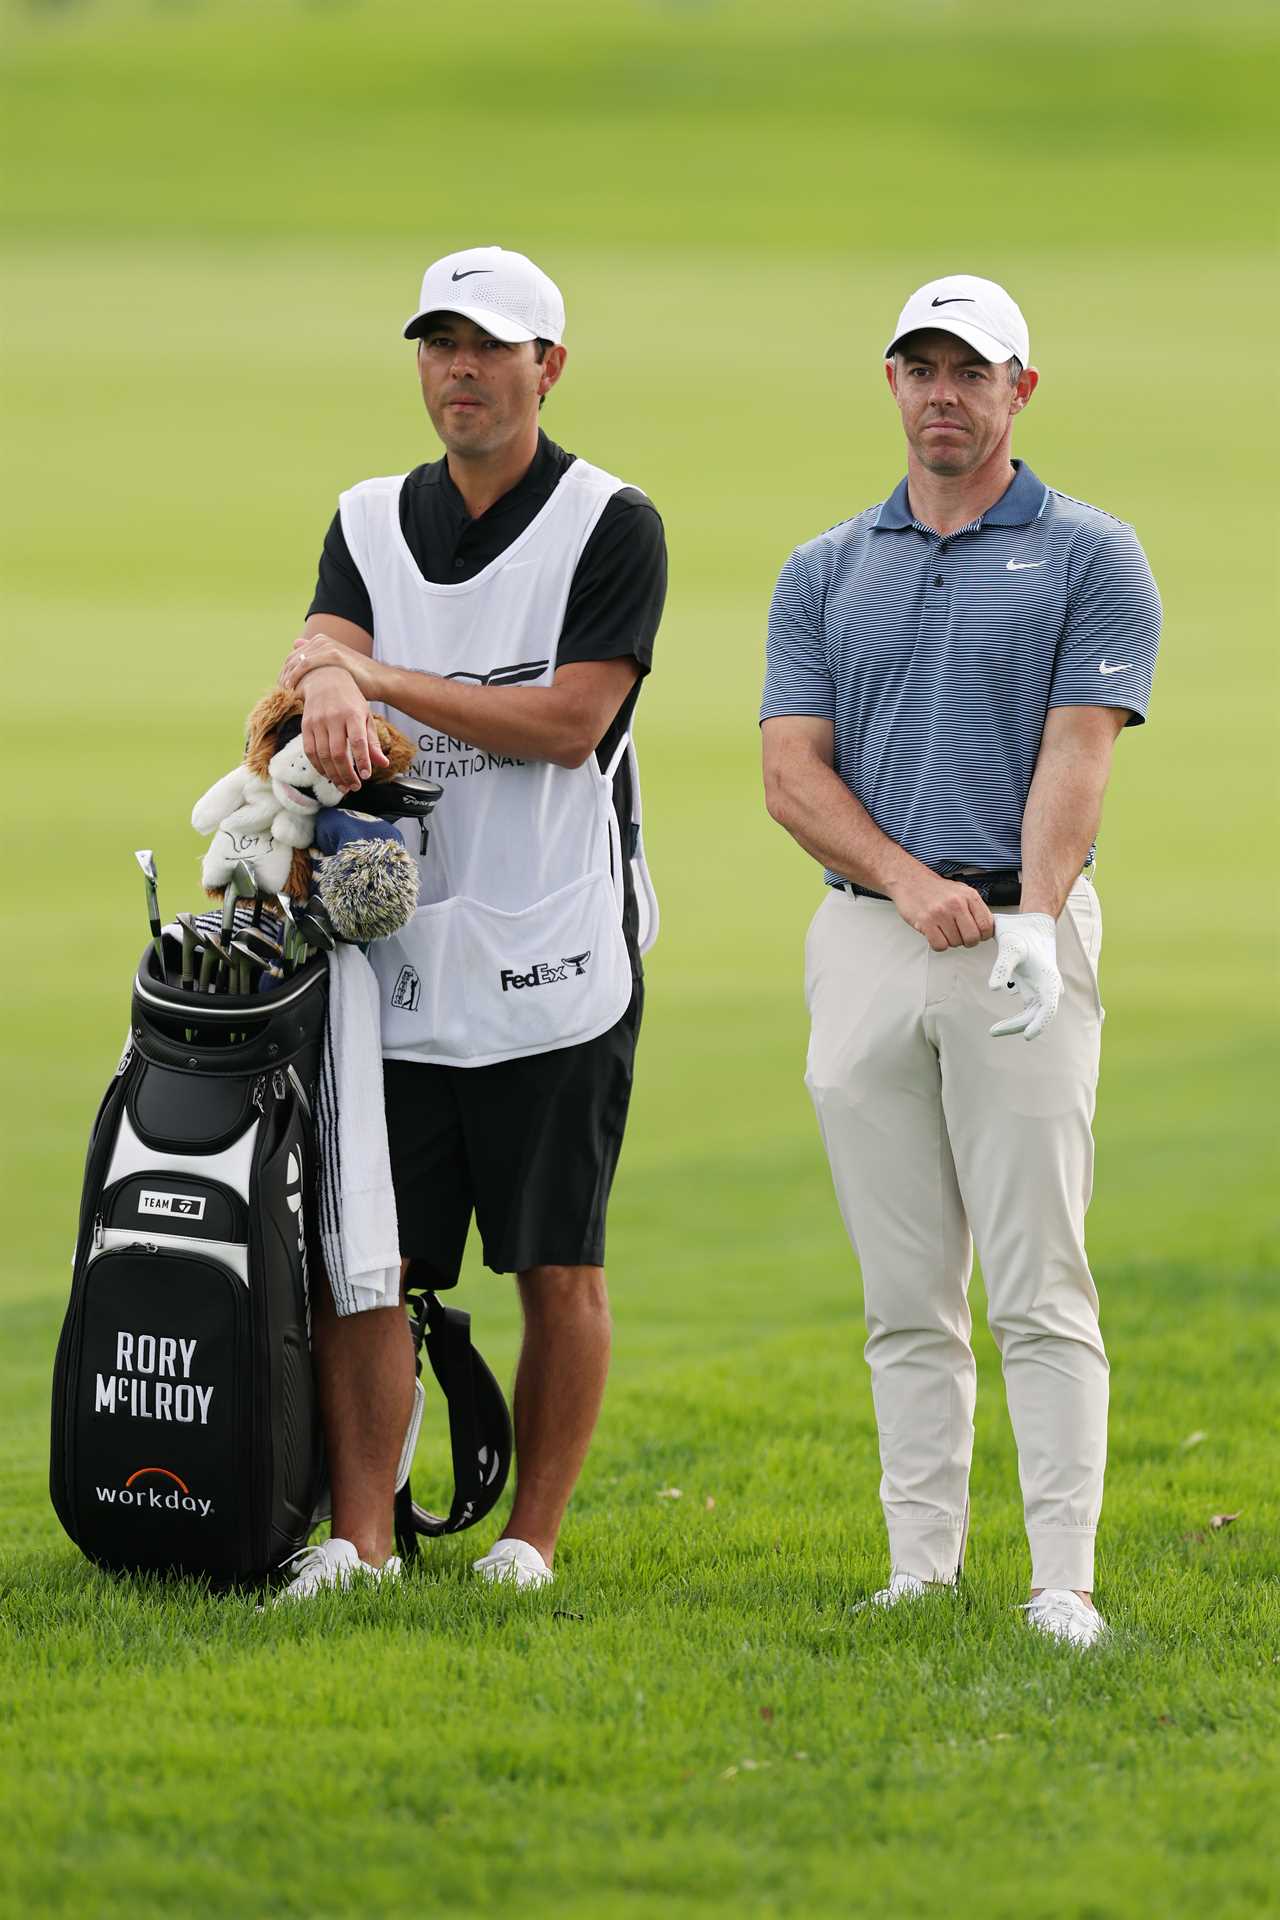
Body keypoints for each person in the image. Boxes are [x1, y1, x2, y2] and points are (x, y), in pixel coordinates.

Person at [760, 274, 1160, 1647]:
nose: (943, 393)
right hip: (866, 940)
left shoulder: (1093, 552)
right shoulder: (824, 567)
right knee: (904, 1293)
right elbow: (790, 771)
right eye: (919, 368)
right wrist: (906, 881)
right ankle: (919, 1569)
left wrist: (1035, 921)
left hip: (1021, 944)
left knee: (1040, 1282)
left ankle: (1064, 1585)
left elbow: (1078, 751)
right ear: (892, 384)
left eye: (970, 371)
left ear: (1019, 392)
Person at [274, 245, 666, 1599]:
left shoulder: (609, 522)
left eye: (489, 346)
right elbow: (310, 659)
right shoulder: (369, 517)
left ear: (546, 367)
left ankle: (528, 1545)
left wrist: (376, 674)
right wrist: (323, 683)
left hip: (554, 956)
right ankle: (362, 1540)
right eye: (439, 344)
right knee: (364, 1265)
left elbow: (570, 722)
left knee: (556, 1264)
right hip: (390, 962)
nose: (459, 370)